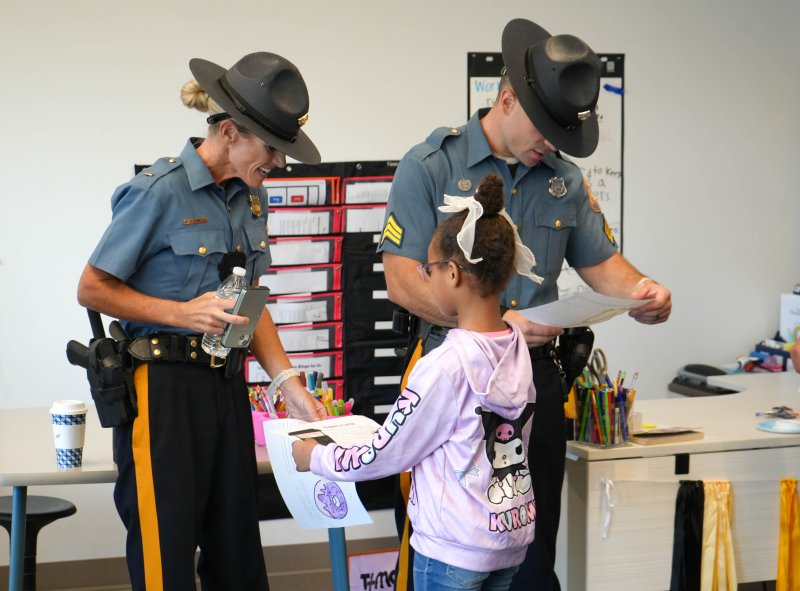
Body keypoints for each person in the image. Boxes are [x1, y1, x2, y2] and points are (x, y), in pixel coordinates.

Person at [377, 18, 673, 591]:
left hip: (531, 384)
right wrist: (488, 325)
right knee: (443, 549)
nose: (553, 144)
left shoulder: (562, 180)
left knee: (530, 553)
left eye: (563, 134)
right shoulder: (431, 165)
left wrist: (642, 290)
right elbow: (400, 280)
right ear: (506, 98)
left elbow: (601, 263)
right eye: (545, 129)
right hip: (450, 375)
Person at [76, 52, 326, 591]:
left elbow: (250, 301)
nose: (280, 164)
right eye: (274, 149)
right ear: (231, 131)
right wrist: (180, 313)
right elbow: (91, 288)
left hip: (225, 385)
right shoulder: (157, 192)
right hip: (162, 390)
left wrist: (287, 384)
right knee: (165, 552)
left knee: (236, 548)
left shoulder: (250, 201)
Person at [295, 173, 542, 591]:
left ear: (454, 274)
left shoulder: (443, 365)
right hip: (506, 541)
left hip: (451, 552)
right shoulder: (517, 348)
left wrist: (313, 458)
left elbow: (385, 454)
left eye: (428, 270)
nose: (424, 278)